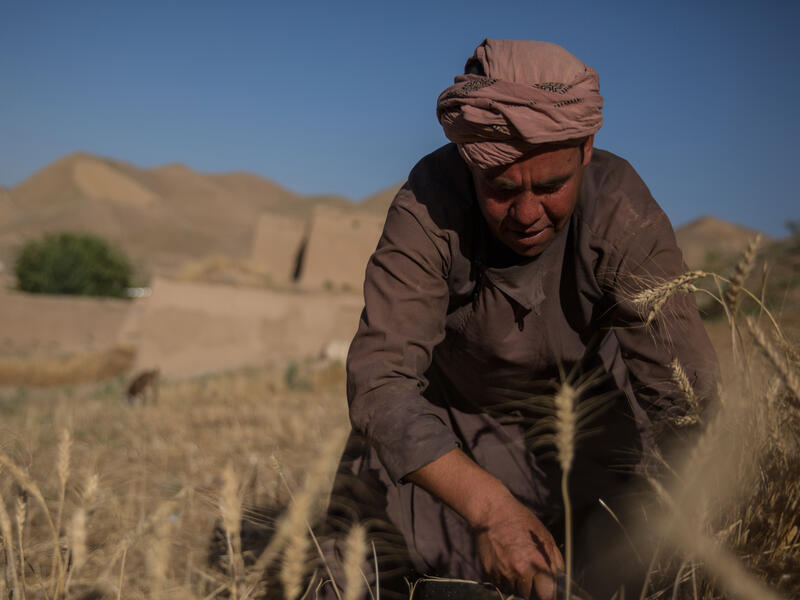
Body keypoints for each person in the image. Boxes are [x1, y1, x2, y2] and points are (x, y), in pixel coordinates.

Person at [316, 39, 719, 600]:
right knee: (356, 578)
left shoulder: (622, 212)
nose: (528, 215)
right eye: (501, 189)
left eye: (552, 187)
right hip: (447, 436)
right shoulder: (428, 205)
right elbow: (381, 382)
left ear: (586, 148)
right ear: (468, 162)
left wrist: (686, 521)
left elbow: (685, 396)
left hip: (586, 436)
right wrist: (488, 508)